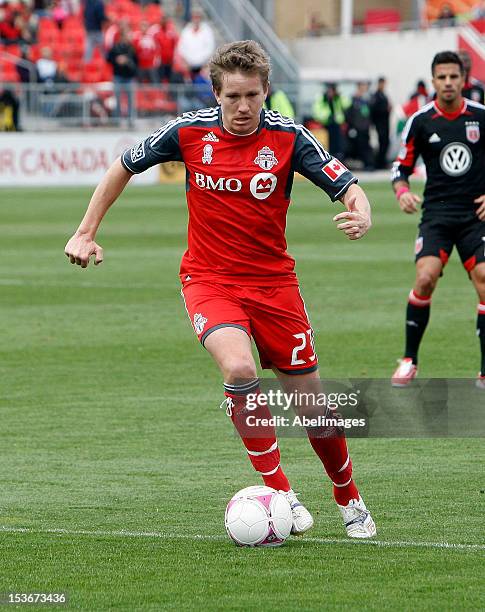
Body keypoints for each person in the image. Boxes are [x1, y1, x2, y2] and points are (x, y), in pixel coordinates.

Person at [64, 40, 376, 538]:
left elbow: (346, 182)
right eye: (233, 96)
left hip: (275, 285)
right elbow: (123, 165)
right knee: (238, 367)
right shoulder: (187, 131)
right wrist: (85, 231)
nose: (244, 107)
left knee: (312, 406)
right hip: (208, 279)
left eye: (253, 95)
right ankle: (282, 492)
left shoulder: (289, 137)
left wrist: (361, 210)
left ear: (266, 90)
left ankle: (349, 497)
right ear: (217, 92)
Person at [391, 51, 485, 389]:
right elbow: (400, 168)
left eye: (453, 77)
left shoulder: (480, 117)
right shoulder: (421, 121)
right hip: (438, 215)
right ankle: (409, 360)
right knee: (426, 278)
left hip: (476, 216)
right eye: (441, 77)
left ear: (463, 80)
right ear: (433, 81)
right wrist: (402, 192)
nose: (448, 83)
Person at [107, 26, 138, 126]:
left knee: (130, 100)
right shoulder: (116, 47)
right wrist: (117, 60)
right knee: (117, 99)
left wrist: (127, 60)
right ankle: (117, 121)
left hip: (128, 77)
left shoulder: (131, 48)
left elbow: (136, 62)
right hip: (118, 76)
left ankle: (130, 121)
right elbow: (109, 59)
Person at [312, 82, 349, 160]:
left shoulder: (337, 98)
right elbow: (317, 111)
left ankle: (338, 156)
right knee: (329, 143)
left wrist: (340, 96)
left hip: (336, 124)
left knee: (338, 143)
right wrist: (327, 117)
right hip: (326, 124)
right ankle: (330, 156)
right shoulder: (322, 98)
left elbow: (347, 104)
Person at [346, 82, 374, 171]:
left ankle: (368, 164)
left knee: (366, 146)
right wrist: (352, 127)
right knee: (360, 147)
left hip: (365, 128)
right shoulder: (353, 100)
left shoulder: (365, 100)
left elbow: (367, 114)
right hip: (358, 128)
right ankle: (365, 164)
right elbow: (350, 115)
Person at [370, 76, 391, 169]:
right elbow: (374, 110)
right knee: (382, 143)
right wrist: (385, 109)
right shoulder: (376, 95)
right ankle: (379, 163)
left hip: (385, 123)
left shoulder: (383, 95)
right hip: (380, 124)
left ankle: (382, 162)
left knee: (385, 143)